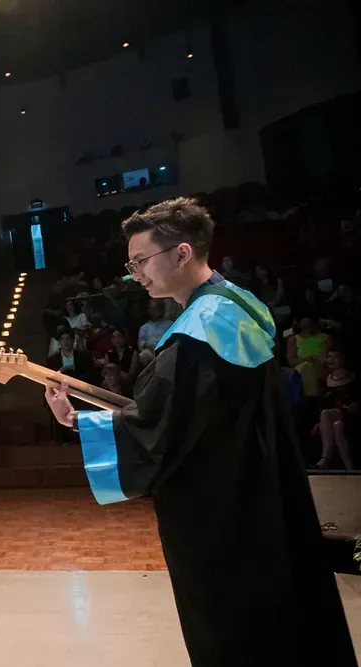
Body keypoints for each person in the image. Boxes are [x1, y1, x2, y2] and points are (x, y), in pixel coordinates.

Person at [44, 197, 354, 667]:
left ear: (183, 252)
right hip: (265, 482)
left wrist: (74, 420)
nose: (134, 274)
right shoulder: (240, 302)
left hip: (221, 507)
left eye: (140, 260)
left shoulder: (201, 331)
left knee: (233, 623)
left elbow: (159, 427)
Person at [313, 348, 357, 470]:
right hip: (334, 418)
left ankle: (325, 458)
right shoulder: (323, 380)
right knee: (337, 425)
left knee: (327, 414)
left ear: (343, 359)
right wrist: (319, 422)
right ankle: (350, 467)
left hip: (352, 414)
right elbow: (322, 404)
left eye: (335, 357)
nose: (331, 360)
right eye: (329, 357)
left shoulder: (354, 378)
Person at [286, 313, 330, 399]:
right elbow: (291, 362)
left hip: (321, 368)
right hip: (302, 371)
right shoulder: (293, 340)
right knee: (307, 368)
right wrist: (307, 359)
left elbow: (328, 357)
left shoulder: (325, 338)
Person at [136, 299, 173, 366]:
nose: (153, 311)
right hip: (150, 351)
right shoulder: (145, 327)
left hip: (165, 350)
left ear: (161, 310)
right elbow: (141, 342)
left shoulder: (169, 324)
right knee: (143, 355)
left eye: (155, 309)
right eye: (151, 309)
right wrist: (150, 346)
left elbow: (173, 339)